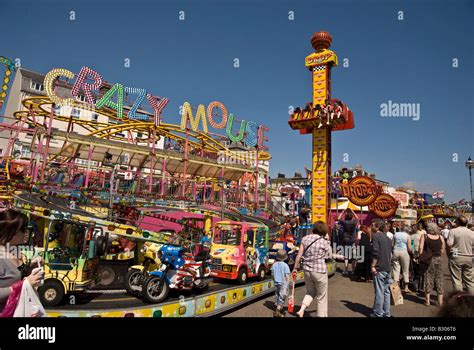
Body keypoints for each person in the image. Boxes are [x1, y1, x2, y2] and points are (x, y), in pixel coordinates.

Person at [0, 210, 44, 316]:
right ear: (12, 232)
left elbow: (16, 274)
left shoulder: (13, 250)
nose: (26, 233)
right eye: (23, 229)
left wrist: (30, 267)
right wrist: (24, 284)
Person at [293, 221, 332, 317]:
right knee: (321, 297)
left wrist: (295, 268)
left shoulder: (305, 239)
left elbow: (299, 255)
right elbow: (330, 255)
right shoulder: (324, 242)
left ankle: (301, 310)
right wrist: (328, 239)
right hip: (319, 271)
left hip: (307, 270)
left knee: (311, 291)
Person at [419, 222, 446, 307]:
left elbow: (420, 248)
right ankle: (440, 301)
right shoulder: (440, 237)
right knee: (439, 279)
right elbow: (442, 250)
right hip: (438, 259)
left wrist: (421, 257)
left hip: (428, 260)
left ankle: (427, 301)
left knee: (428, 278)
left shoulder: (424, 236)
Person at [370, 219, 393, 317]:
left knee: (380, 292)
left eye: (372, 225)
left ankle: (378, 313)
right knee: (386, 292)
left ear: (377, 226)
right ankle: (386, 312)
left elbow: (376, 253)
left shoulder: (376, 236)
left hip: (380, 267)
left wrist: (373, 265)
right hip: (387, 267)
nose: (371, 226)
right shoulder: (387, 237)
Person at [446, 215, 473, 294]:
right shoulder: (471, 232)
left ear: (457, 222)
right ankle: (471, 300)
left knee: (457, 280)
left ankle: (460, 299)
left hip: (456, 255)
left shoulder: (453, 231)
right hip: (469, 256)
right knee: (470, 281)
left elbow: (449, 244)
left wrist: (448, 254)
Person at [392, 224, 412, 292]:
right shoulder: (408, 236)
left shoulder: (396, 234)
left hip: (395, 251)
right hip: (404, 252)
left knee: (396, 268)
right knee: (405, 269)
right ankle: (406, 287)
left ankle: (396, 285)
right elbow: (409, 248)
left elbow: (392, 244)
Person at [271, 249, 291, 317]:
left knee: (277, 295)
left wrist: (274, 280)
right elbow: (287, 276)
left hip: (276, 283)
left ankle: (277, 306)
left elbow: (272, 274)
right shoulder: (285, 265)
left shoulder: (274, 265)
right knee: (282, 296)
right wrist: (288, 284)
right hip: (283, 283)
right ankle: (278, 311)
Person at [341, 211, 357, 276]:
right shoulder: (354, 222)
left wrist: (342, 212)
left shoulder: (345, 222)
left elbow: (338, 219)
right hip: (353, 239)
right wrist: (353, 212)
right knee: (353, 257)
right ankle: (353, 270)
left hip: (346, 239)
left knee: (346, 256)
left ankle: (346, 270)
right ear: (352, 216)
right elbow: (357, 217)